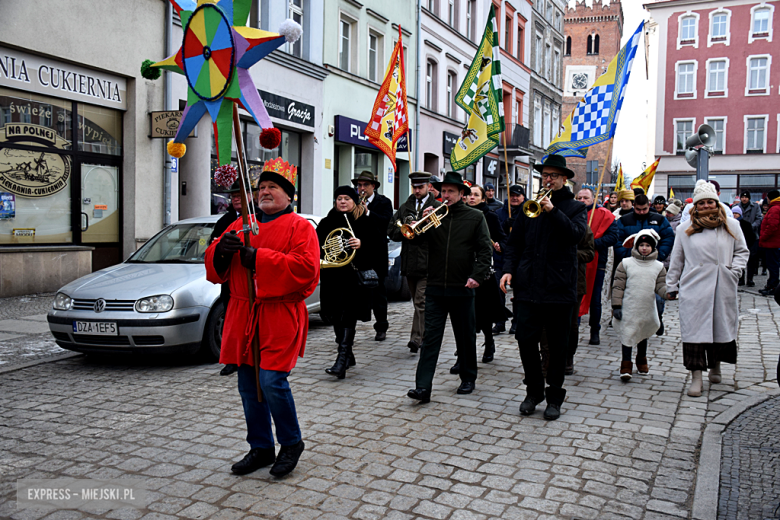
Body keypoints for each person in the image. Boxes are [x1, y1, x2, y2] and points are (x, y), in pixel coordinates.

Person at [205, 159, 319, 478]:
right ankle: (261, 447)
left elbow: (306, 269)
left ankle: (291, 442)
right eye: (262, 188)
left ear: (289, 196)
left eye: (273, 187)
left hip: (278, 312)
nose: (265, 192)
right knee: (247, 384)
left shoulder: (301, 227)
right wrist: (223, 251)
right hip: (244, 313)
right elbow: (213, 260)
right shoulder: (241, 222)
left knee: (271, 381)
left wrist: (259, 258)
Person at [500, 155, 587, 420]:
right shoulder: (528, 207)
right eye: (545, 175)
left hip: (559, 286)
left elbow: (575, 236)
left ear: (564, 179)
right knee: (525, 340)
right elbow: (514, 244)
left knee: (558, 345)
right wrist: (508, 269)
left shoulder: (575, 207)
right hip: (528, 286)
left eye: (553, 176)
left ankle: (554, 396)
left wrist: (552, 210)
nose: (548, 179)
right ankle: (533, 391)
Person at [407, 171, 493, 403]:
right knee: (430, 338)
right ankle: (423, 387)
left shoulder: (475, 217)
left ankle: (468, 377)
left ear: (461, 194)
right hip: (435, 287)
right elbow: (414, 241)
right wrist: (420, 224)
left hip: (463, 287)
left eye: (451, 192)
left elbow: (485, 251)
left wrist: (477, 276)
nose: (445, 195)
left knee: (465, 337)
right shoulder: (434, 216)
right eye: (443, 191)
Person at [667, 180, 749, 397]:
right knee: (695, 332)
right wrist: (671, 285)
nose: (706, 206)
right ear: (695, 205)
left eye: (710, 202)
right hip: (695, 287)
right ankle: (696, 377)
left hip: (723, 284)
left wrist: (734, 271)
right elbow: (677, 259)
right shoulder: (685, 228)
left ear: (717, 202)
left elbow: (742, 252)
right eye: (702, 203)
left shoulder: (731, 225)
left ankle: (716, 366)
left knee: (718, 329)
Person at [318, 186, 379, 379]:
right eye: (339, 198)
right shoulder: (327, 222)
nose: (343, 202)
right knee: (335, 315)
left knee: (348, 315)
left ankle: (342, 359)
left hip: (353, 278)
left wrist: (362, 244)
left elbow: (377, 247)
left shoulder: (364, 222)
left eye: (347, 199)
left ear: (354, 202)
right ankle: (348, 354)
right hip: (332, 277)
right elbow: (318, 245)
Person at [388, 172, 442, 353]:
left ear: (428, 187)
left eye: (421, 187)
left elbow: (442, 235)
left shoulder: (437, 206)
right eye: (415, 187)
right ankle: (426, 334)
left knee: (421, 301)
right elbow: (392, 232)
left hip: (429, 262)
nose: (417, 191)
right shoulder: (405, 207)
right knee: (418, 302)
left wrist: (428, 222)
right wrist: (405, 227)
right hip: (410, 263)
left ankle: (416, 339)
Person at [209, 181, 258, 377]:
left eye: (240, 194)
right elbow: (213, 245)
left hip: (252, 279)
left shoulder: (257, 218)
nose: (235, 198)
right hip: (231, 280)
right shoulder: (225, 221)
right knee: (231, 319)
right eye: (233, 195)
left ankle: (251, 354)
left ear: (250, 196)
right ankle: (232, 359)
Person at [611, 230, 668, 380]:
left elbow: (660, 285)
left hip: (647, 307)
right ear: (636, 246)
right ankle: (626, 364)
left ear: (653, 247)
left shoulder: (658, 266)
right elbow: (618, 286)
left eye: (647, 245)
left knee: (643, 333)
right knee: (628, 334)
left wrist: (668, 293)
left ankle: (641, 359)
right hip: (630, 306)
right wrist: (616, 306)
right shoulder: (626, 263)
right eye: (641, 245)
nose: (644, 248)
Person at [614, 194, 675, 335]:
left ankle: (657, 317)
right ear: (634, 206)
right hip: (632, 264)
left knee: (658, 296)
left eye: (644, 209)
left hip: (654, 263)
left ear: (649, 206)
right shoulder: (624, 220)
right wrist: (627, 256)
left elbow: (668, 237)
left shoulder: (659, 219)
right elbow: (617, 241)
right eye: (639, 209)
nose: (641, 212)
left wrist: (660, 255)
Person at [466, 184, 506, 363]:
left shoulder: (490, 216)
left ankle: (489, 342)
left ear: (483, 199)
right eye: (469, 195)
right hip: (463, 268)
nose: (471, 197)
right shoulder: (461, 215)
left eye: (476, 195)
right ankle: (464, 352)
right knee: (466, 313)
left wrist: (499, 246)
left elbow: (502, 238)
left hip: (483, 269)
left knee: (484, 312)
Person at [352, 171, 393, 340]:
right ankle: (351, 329)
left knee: (379, 294)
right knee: (356, 293)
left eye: (365, 185)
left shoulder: (384, 202)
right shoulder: (354, 202)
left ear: (373, 187)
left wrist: (368, 213)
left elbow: (386, 223)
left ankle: (381, 327)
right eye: (359, 185)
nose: (361, 189)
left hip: (377, 254)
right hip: (360, 254)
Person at [576, 188, 618, 345]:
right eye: (579, 197)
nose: (582, 200)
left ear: (593, 199)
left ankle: (595, 330)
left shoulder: (605, 215)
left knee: (594, 299)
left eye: (585, 197)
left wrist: (591, 244)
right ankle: (575, 325)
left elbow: (613, 237)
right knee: (575, 295)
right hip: (575, 260)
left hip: (596, 261)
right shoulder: (572, 213)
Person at [493, 184, 526, 335]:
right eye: (511, 194)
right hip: (501, 257)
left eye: (517, 195)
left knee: (519, 293)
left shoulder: (528, 212)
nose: (514, 197)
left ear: (523, 197)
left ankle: (517, 321)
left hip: (519, 259)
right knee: (499, 291)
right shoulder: (500, 212)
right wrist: (504, 226)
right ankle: (500, 322)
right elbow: (493, 232)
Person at [738, 191, 763, 287]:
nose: (744, 199)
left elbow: (758, 218)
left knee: (752, 257)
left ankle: (750, 279)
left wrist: (751, 227)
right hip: (741, 235)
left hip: (752, 235)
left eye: (746, 197)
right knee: (740, 256)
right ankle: (741, 278)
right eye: (742, 197)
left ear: (749, 198)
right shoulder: (737, 207)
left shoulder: (755, 206)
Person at [759, 189, 780, 296]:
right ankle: (772, 285)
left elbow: (772, 226)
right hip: (773, 242)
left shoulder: (775, 209)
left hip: (772, 243)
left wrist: (763, 237)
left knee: (773, 266)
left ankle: (773, 286)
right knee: (773, 265)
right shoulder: (776, 207)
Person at [731, 206, 757, 286]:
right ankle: (741, 279)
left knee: (750, 263)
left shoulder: (746, 224)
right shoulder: (729, 224)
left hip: (747, 245)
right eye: (733, 213)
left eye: (736, 213)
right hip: (734, 247)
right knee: (739, 263)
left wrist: (747, 245)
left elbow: (752, 236)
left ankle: (750, 279)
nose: (735, 215)